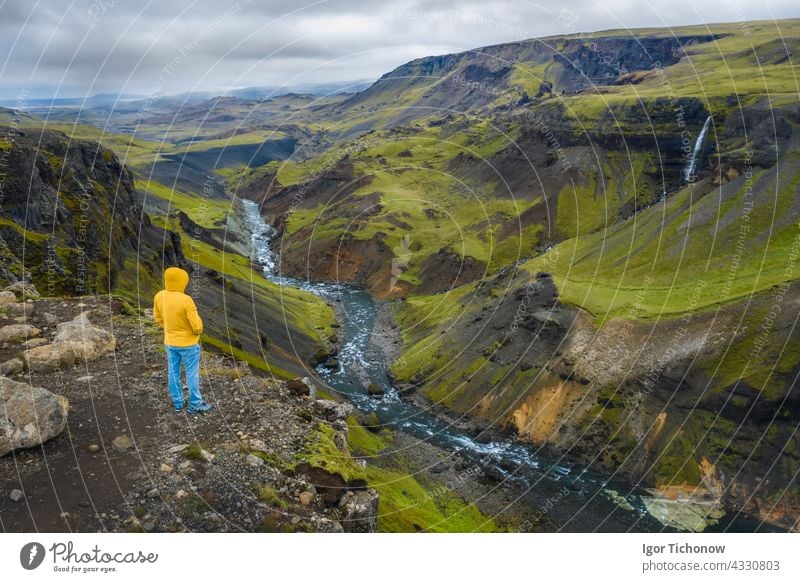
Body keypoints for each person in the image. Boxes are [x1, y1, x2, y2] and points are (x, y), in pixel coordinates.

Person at [153, 267, 213, 414]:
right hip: (188, 345)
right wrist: (193, 330)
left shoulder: (159, 296)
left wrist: (169, 328)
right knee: (191, 374)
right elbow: (197, 327)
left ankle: (178, 403)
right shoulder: (186, 300)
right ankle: (195, 405)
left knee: (173, 372)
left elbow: (158, 318)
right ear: (183, 282)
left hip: (170, 342)